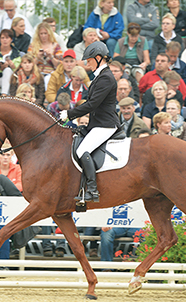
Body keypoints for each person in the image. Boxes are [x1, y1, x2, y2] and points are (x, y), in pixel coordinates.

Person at [59, 41, 117, 203]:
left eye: (89, 60)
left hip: (105, 125)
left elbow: (92, 104)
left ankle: (92, 189)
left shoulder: (106, 78)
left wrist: (69, 114)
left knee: (82, 150)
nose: (87, 64)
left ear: (99, 58)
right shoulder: (99, 76)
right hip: (96, 123)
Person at [0, 28, 23, 95]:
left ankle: (4, 95)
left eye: (7, 38)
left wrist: (13, 66)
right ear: (0, 39)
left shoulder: (16, 53)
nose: (5, 40)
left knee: (8, 70)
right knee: (6, 70)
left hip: (13, 79)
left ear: (11, 39)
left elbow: (18, 70)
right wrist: (1, 68)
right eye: (2, 38)